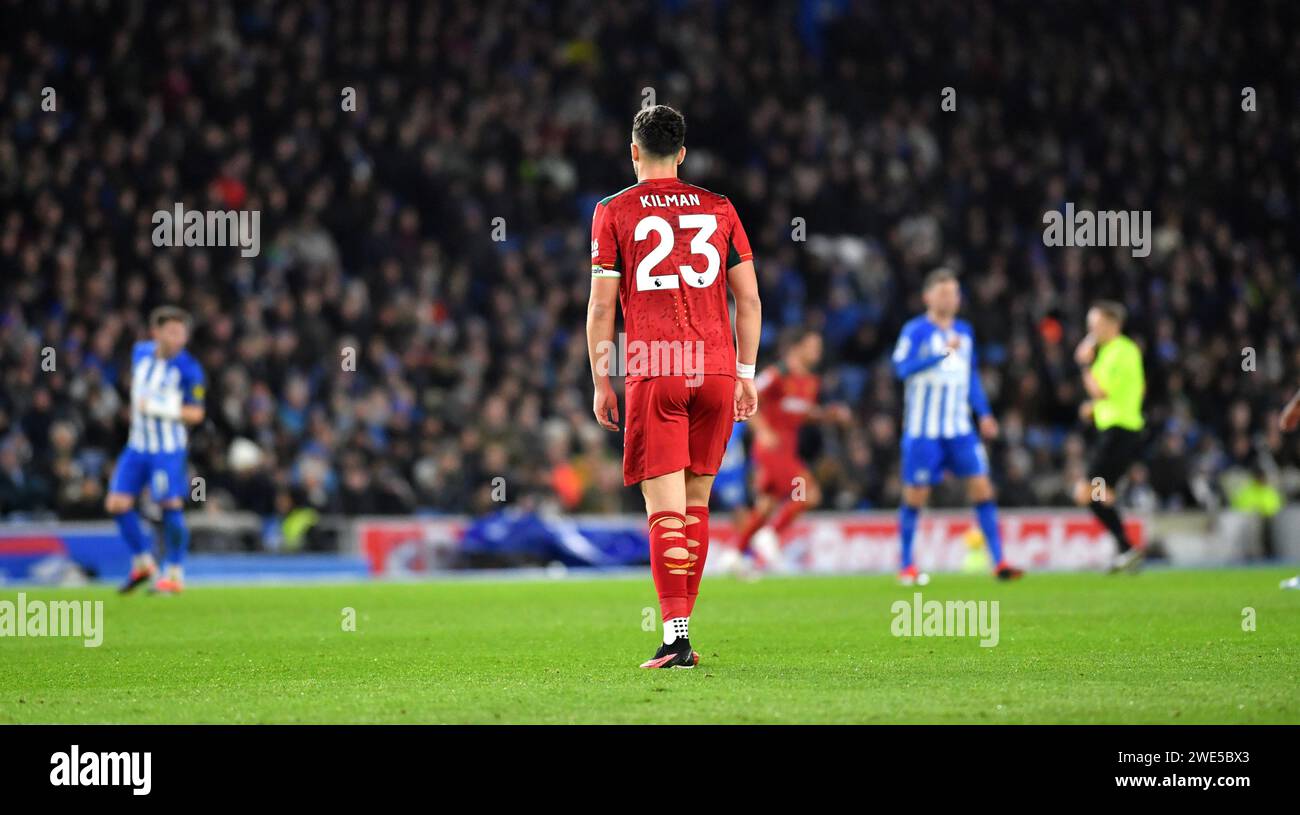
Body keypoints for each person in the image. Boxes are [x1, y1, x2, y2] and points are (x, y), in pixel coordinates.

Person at [586, 105, 761, 668]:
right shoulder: (720, 207)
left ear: (633, 150)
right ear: (682, 153)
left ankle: (675, 637)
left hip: (656, 364)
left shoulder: (612, 211)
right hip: (715, 368)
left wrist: (601, 381)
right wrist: (747, 372)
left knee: (663, 510)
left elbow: (601, 307)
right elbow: (750, 299)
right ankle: (682, 635)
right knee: (696, 505)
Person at [892, 268, 1023, 584]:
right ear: (927, 297)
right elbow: (900, 368)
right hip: (923, 431)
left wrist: (985, 414)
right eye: (942, 292)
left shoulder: (965, 331)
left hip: (960, 428)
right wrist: (940, 354)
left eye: (953, 292)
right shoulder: (914, 331)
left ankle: (999, 562)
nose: (949, 298)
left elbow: (971, 376)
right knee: (915, 496)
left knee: (982, 487)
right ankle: (907, 565)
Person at [106, 306, 206, 594]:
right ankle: (143, 564)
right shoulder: (140, 354)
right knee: (117, 504)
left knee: (169, 505)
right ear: (156, 333)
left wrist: (160, 407)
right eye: (172, 332)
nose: (179, 338)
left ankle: (174, 573)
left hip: (167, 449)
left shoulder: (189, 369)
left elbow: (196, 414)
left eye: (182, 333)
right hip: (137, 446)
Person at [733, 329, 850, 570]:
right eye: (812, 346)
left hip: (788, 450)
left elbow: (800, 413)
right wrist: (762, 430)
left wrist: (828, 415)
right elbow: (745, 396)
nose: (817, 352)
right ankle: (770, 535)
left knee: (766, 506)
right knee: (807, 493)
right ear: (796, 347)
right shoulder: (777, 375)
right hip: (771, 449)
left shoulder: (811, 382)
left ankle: (736, 554)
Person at [1073, 300, 1146, 573]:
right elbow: (1130, 391)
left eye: (1096, 325)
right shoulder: (1116, 352)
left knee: (1085, 492)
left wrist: (1083, 366)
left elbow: (1101, 390)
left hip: (1119, 432)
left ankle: (1127, 548)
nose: (1091, 331)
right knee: (1104, 495)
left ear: (1113, 324)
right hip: (1119, 430)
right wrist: (1095, 409)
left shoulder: (1120, 351)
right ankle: (1126, 553)